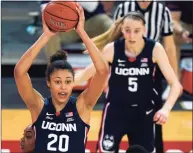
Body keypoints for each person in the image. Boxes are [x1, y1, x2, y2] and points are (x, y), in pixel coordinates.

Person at [74, 11, 182, 153]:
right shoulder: (112, 49)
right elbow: (85, 74)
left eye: (137, 31)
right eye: (127, 30)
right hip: (115, 112)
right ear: (122, 30)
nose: (132, 36)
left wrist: (166, 109)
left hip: (144, 113)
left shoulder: (155, 49)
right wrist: (64, 82)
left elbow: (175, 85)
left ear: (145, 30)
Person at [14, 3, 109, 153]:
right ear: (48, 83)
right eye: (57, 82)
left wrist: (82, 32)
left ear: (73, 83)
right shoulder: (39, 107)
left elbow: (102, 71)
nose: (63, 86)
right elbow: (19, 72)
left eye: (68, 82)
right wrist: (45, 36)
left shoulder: (82, 106)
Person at [113, 1, 178, 152]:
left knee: (154, 118)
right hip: (124, 68)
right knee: (118, 115)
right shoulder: (123, 8)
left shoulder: (162, 11)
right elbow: (113, 40)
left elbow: (169, 46)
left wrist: (173, 79)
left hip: (151, 70)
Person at [40, 0, 113, 58]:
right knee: (50, 30)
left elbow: (92, 7)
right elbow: (46, 12)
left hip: (89, 23)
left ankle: (114, 60)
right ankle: (55, 67)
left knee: (107, 22)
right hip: (66, 28)